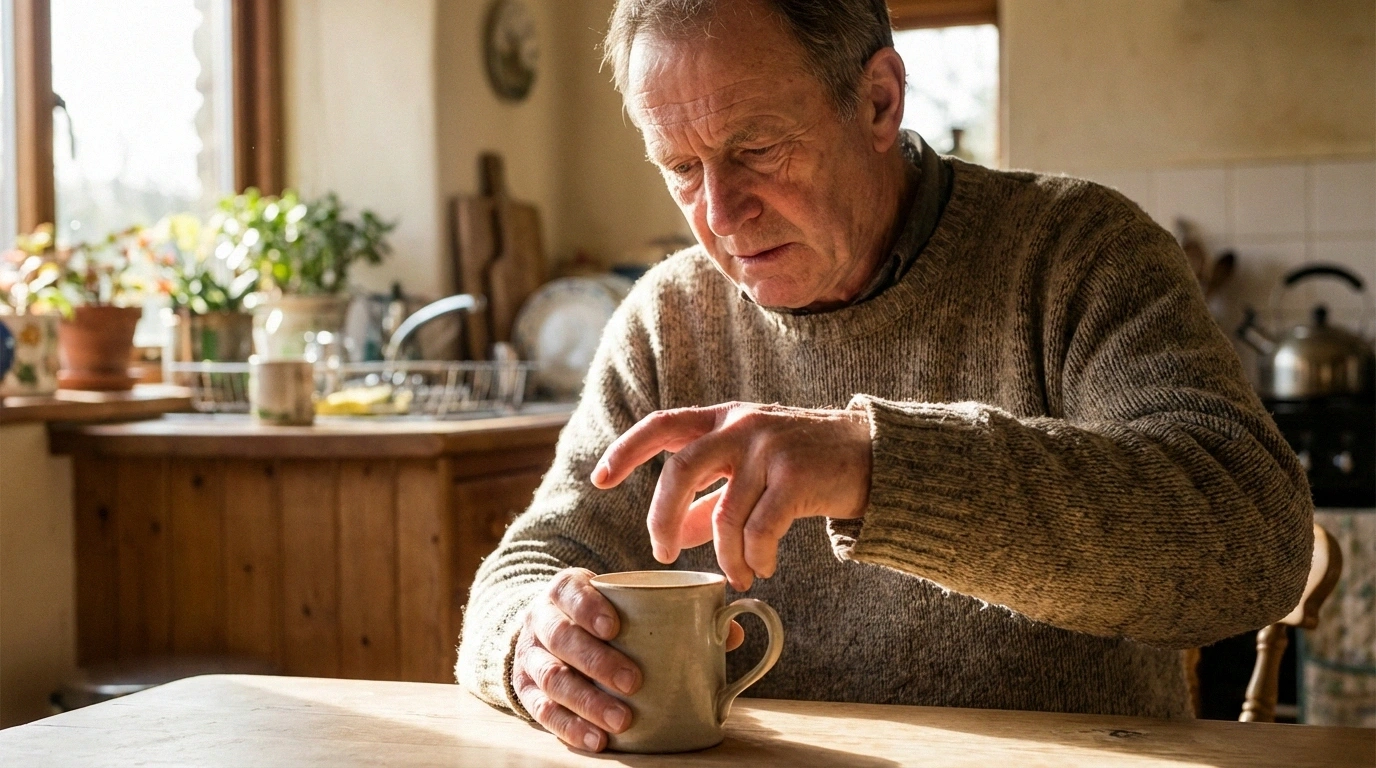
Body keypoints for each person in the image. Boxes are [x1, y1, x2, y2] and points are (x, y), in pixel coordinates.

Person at [457, 0, 1312, 753]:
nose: (719, 214)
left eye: (755, 147)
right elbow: (532, 562)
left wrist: (877, 466)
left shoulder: (1075, 253)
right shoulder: (667, 319)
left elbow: (1257, 542)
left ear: (878, 100)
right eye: (681, 168)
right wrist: (531, 643)